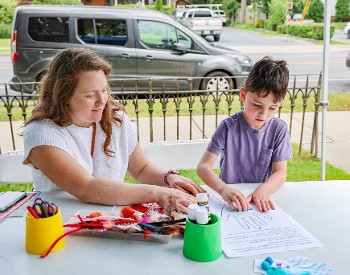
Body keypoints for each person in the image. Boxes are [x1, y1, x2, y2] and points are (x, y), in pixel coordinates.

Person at [23, 48, 204, 213]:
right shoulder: (41, 134)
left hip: (109, 220)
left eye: (104, 90)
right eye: (89, 95)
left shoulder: (115, 120)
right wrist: (158, 193)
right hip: (58, 226)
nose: (102, 101)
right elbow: (87, 188)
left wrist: (168, 178)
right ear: (63, 96)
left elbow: (141, 169)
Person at [197, 56, 293, 212]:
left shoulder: (279, 129)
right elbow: (203, 167)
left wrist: (263, 191)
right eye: (257, 105)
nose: (263, 114)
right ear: (243, 95)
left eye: (273, 108)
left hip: (259, 200)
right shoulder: (228, 127)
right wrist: (223, 189)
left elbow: (280, 172)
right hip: (230, 199)